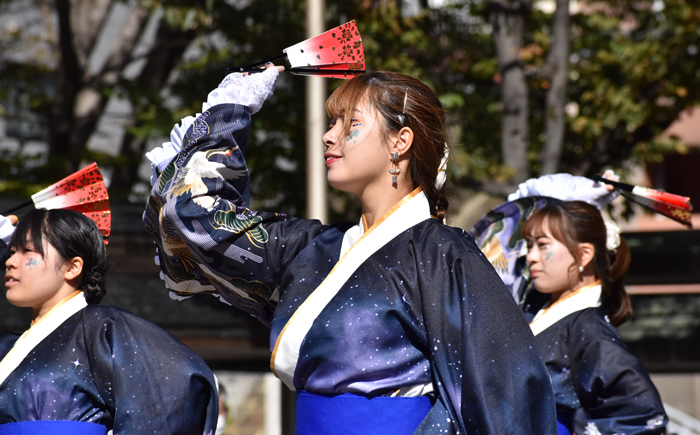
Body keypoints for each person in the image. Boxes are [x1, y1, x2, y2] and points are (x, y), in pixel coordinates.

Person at [143, 66, 557, 434]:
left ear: (401, 141)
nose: (329, 135)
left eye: (349, 123)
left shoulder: (444, 256)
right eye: (331, 122)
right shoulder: (311, 250)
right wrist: (226, 116)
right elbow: (189, 220)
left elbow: (508, 393)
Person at [0, 209, 219, 434]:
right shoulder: (7, 345)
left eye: (27, 250)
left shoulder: (101, 328)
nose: (10, 261)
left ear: (72, 266)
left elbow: (174, 383)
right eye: (10, 251)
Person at [521, 200, 667, 435]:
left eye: (542, 245)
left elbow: (645, 419)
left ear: (583, 254)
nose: (531, 257)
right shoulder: (535, 304)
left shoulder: (591, 330)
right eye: (529, 246)